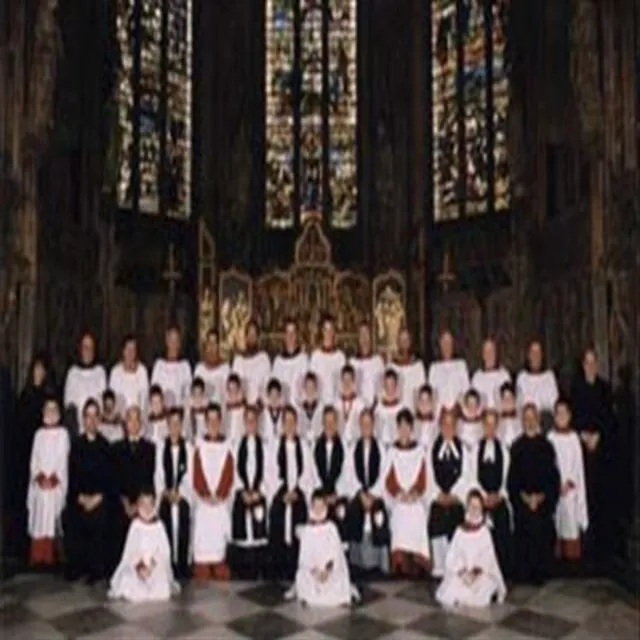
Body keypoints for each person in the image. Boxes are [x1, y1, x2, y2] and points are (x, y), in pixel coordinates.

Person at [570, 347, 614, 570]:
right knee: (584, 497)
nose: (590, 366)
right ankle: (586, 550)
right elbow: (574, 417)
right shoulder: (576, 390)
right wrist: (583, 435)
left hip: (601, 450)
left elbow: (609, 418)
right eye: (586, 362)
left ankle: (603, 552)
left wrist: (598, 436)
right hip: (582, 450)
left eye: (593, 362)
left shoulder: (605, 389)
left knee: (601, 498)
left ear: (597, 364)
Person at [507, 403, 560, 584]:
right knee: (524, 523)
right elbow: (512, 481)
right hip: (523, 502)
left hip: (542, 502)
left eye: (532, 418)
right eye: (526, 418)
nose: (529, 422)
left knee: (542, 525)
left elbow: (553, 479)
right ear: (522, 421)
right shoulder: (516, 447)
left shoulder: (547, 447)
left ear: (537, 420)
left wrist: (541, 498)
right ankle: (523, 572)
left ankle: (541, 571)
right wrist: (525, 498)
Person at [14, 353, 56, 563]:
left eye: (42, 370)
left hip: (47, 456)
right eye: (35, 370)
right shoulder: (25, 395)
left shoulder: (49, 396)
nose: (38, 373)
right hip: (26, 452)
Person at [64, 399, 111, 583]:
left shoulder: (105, 446)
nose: (91, 420)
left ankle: (95, 569)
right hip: (80, 497)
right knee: (71, 515)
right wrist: (80, 497)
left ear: (99, 419)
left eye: (94, 416)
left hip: (99, 498)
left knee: (99, 516)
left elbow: (109, 480)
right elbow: (72, 475)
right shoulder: (76, 445)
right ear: (83, 419)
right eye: (87, 416)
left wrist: (97, 498)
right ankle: (76, 566)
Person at [435, 490, 507, 608]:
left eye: (477, 507)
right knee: (452, 587)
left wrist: (475, 573)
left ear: (482, 509)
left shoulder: (484, 532)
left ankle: (469, 597)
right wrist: (462, 572)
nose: (474, 510)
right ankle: (462, 597)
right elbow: (453, 555)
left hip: (479, 574)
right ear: (467, 508)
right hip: (462, 574)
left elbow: (487, 557)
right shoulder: (460, 531)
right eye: (471, 506)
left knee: (482, 589)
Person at [289, 491, 358, 607]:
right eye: (315, 506)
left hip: (329, 570)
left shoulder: (331, 528)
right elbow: (304, 557)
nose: (318, 510)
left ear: (326, 507)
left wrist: (327, 571)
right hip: (313, 571)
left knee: (337, 580)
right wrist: (315, 571)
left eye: (321, 506)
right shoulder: (307, 531)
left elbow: (335, 554)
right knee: (303, 577)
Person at [268, 405, 313, 580]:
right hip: (281, 496)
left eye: (292, 422)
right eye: (285, 422)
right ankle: (278, 571)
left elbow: (308, 474)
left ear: (297, 424)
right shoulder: (274, 447)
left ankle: (297, 571)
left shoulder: (304, 447)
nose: (289, 426)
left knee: (298, 533)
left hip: (298, 497)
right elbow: (270, 473)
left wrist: (297, 490)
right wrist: (282, 492)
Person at [108, 490, 178, 602]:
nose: (147, 508)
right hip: (137, 567)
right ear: (138, 506)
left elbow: (164, 552)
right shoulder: (135, 525)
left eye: (150, 504)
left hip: (154, 566)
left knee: (161, 587)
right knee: (129, 582)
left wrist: (151, 567)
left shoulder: (159, 526)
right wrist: (140, 567)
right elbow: (131, 552)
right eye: (143, 504)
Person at [384, 409, 430, 575]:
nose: (404, 430)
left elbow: (423, 476)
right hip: (399, 498)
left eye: (407, 426)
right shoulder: (392, 451)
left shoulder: (419, 451)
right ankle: (400, 563)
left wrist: (415, 493)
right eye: (400, 427)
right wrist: (399, 493)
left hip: (415, 497)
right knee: (399, 512)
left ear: (412, 429)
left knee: (417, 512)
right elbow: (388, 478)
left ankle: (417, 563)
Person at [192, 403, 234, 580]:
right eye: (210, 420)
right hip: (203, 502)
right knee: (202, 528)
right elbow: (197, 472)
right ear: (205, 422)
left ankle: (219, 566)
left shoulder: (228, 446)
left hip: (221, 502)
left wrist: (220, 494)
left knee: (219, 540)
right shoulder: (199, 446)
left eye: (216, 420)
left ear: (221, 421)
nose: (213, 424)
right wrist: (205, 495)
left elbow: (229, 472)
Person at [427, 408, 471, 578]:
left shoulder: (463, 449)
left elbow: (466, 474)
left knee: (455, 515)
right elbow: (429, 474)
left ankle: (456, 565)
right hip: (438, 498)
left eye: (451, 424)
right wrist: (438, 494)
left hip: (455, 499)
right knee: (437, 514)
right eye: (445, 424)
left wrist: (454, 495)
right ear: (439, 426)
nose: (448, 428)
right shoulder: (432, 449)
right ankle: (439, 565)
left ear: (456, 426)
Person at [111, 406, 156, 570]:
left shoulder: (150, 448)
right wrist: (125, 503)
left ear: (141, 423)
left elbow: (149, 478)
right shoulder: (115, 448)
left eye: (137, 419)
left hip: (142, 502)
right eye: (130, 419)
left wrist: (138, 504)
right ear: (125, 423)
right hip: (122, 502)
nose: (133, 423)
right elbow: (114, 479)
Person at [27, 397, 70, 566]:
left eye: (54, 410)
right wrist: (39, 477)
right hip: (40, 482)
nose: (51, 413)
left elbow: (63, 461)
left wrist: (53, 479)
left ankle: (53, 555)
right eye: (48, 410)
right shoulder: (38, 434)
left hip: (55, 483)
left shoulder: (63, 434)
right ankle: (38, 556)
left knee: (52, 502)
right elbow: (34, 460)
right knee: (39, 501)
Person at [345, 409, 389, 575]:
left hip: (375, 495)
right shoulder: (352, 450)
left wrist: (373, 494)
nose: (366, 427)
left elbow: (384, 475)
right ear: (359, 426)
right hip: (359, 495)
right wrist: (361, 494)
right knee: (355, 510)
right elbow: (349, 475)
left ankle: (378, 564)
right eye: (363, 424)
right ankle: (357, 563)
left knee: (378, 512)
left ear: (373, 426)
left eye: (369, 424)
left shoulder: (381, 450)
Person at [547, 399, 588, 566]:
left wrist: (570, 482)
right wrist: (557, 484)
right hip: (556, 488)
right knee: (556, 522)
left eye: (564, 413)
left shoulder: (574, 438)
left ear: (570, 416)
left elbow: (578, 466)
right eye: (558, 413)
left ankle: (572, 564)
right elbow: (549, 464)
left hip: (571, 489)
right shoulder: (550, 437)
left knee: (570, 524)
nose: (561, 417)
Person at [154, 407, 193, 580]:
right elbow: (158, 474)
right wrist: (165, 492)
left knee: (183, 514)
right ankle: (168, 566)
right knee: (165, 515)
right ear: (167, 425)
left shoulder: (189, 448)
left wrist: (181, 493)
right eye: (172, 423)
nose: (175, 427)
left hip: (182, 496)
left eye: (178, 423)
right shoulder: (161, 447)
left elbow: (190, 474)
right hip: (166, 496)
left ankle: (183, 567)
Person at [230, 405, 269, 579]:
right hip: (243, 496)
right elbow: (233, 472)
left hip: (259, 494)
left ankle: (259, 570)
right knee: (244, 536)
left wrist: (260, 492)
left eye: (254, 420)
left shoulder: (266, 446)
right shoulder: (237, 445)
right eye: (248, 420)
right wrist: (242, 491)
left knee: (259, 535)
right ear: (244, 422)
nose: (251, 423)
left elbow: (270, 471)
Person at [473, 409, 511, 576]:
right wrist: (483, 496)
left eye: (493, 424)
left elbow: (507, 478)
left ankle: (501, 569)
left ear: (497, 426)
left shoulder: (503, 450)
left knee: (503, 518)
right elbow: (472, 476)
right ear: (482, 425)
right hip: (481, 500)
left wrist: (499, 495)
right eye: (486, 424)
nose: (490, 428)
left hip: (498, 498)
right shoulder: (475, 449)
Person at [313, 406, 349, 539]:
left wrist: (336, 494)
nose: (329, 425)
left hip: (337, 495)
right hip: (320, 495)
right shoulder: (315, 447)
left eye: (332, 422)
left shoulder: (344, 446)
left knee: (341, 511)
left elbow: (347, 474)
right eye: (326, 422)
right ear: (322, 424)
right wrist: (322, 496)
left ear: (337, 424)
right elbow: (313, 474)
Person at [63, 332, 107, 432]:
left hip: (97, 425)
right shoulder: (73, 372)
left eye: (91, 347)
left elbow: (102, 400)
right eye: (85, 347)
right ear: (80, 349)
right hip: (78, 427)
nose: (88, 351)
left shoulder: (100, 371)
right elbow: (69, 403)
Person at [516, 341, 559, 432]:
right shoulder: (522, 377)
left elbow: (554, 403)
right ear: (528, 355)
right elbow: (520, 403)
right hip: (527, 423)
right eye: (533, 352)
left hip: (546, 423)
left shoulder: (549, 376)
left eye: (538, 352)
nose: (536, 356)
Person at [428, 330, 470, 414]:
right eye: (444, 343)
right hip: (440, 413)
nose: (447, 346)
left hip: (458, 412)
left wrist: (457, 406)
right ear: (440, 345)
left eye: (449, 342)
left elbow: (466, 390)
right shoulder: (434, 367)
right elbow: (432, 393)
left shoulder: (461, 365)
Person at [151, 326, 192, 408]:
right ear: (167, 341)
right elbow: (154, 391)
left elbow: (188, 393)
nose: (174, 344)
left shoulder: (185, 366)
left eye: (176, 341)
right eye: (171, 340)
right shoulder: (159, 365)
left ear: (179, 343)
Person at [232, 320, 271, 406]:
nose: (251, 338)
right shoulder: (238, 360)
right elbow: (234, 385)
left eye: (254, 335)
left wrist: (261, 400)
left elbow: (267, 384)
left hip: (259, 408)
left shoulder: (263, 358)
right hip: (242, 408)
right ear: (245, 337)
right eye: (249, 334)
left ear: (258, 338)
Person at [108, 335, 149, 415]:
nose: (130, 353)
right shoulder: (115, 372)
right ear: (123, 351)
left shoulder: (142, 371)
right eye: (128, 349)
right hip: (120, 418)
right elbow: (112, 399)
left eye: (133, 349)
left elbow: (145, 399)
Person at [309, 316, 346, 404]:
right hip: (319, 404)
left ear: (334, 332)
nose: (328, 333)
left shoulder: (340, 357)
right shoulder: (316, 356)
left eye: (331, 330)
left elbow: (343, 382)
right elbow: (312, 383)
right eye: (326, 330)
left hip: (337, 403)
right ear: (322, 332)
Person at [271, 319, 309, 402]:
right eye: (288, 333)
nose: (290, 336)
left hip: (299, 408)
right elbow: (274, 387)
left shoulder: (303, 359)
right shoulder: (278, 361)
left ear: (297, 335)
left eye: (293, 333)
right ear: (284, 336)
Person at [389, 328, 426, 410]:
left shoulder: (418, 365)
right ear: (398, 342)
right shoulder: (392, 366)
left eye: (406, 340)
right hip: (396, 409)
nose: (404, 343)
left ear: (410, 342)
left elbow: (421, 390)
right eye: (402, 340)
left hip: (413, 408)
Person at [349, 322, 384, 408]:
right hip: (357, 408)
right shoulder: (352, 362)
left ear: (371, 337)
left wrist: (374, 405)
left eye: (367, 334)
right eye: (362, 334)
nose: (364, 338)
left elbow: (381, 388)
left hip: (375, 408)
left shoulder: (378, 361)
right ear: (358, 338)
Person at [470, 339, 511, 409]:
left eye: (491, 351)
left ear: (496, 353)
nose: (489, 355)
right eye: (486, 352)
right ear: (483, 355)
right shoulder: (477, 377)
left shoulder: (504, 375)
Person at [193, 329, 230, 403]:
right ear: (205, 346)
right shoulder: (199, 369)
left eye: (214, 343)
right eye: (209, 343)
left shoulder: (225, 369)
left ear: (218, 346)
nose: (211, 347)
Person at [335, 364, 366, 445]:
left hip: (356, 444)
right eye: (344, 380)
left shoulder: (361, 404)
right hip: (340, 444)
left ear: (354, 382)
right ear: (341, 381)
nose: (347, 383)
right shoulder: (336, 404)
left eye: (349, 380)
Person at [374, 368, 405, 448]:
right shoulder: (378, 407)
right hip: (381, 444)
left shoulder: (401, 408)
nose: (389, 388)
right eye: (387, 384)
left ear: (396, 385)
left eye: (392, 384)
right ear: (384, 385)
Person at [295, 372, 325, 446]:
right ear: (304, 388)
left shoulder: (321, 408)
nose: (310, 390)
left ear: (316, 388)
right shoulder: (299, 408)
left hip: (318, 443)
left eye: (312, 386)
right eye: (307, 387)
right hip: (303, 444)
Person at [223, 373, 246, 446]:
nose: (232, 394)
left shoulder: (246, 413)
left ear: (239, 390)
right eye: (229, 390)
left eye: (234, 390)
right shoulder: (224, 412)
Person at [261, 378, 284, 444]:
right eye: (272, 396)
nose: (274, 400)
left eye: (276, 396)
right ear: (268, 396)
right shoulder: (263, 415)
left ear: (280, 396)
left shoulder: (283, 414)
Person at [498, 382, 521, 448]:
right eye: (504, 398)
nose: (507, 401)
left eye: (510, 397)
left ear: (515, 399)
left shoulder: (522, 422)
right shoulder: (496, 423)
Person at [415, 384, 437, 450]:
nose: (424, 405)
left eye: (427, 401)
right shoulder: (412, 425)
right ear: (418, 403)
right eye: (421, 401)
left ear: (432, 403)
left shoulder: (437, 426)